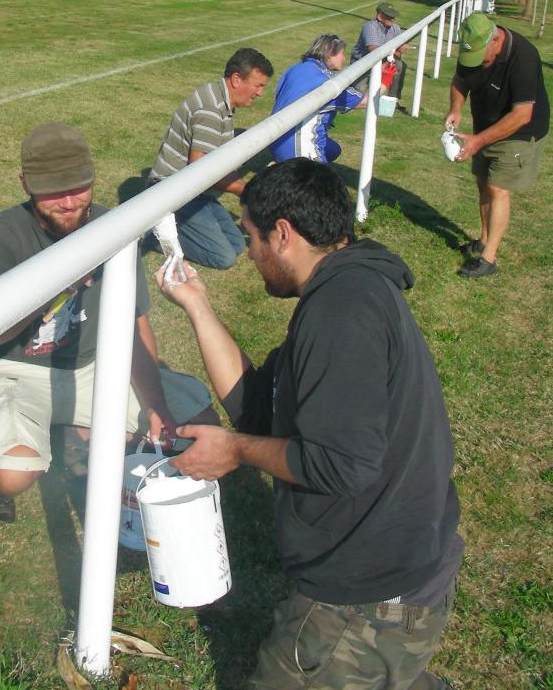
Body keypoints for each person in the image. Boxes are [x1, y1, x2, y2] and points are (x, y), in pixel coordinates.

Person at [156, 159, 463, 690]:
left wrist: (235, 451)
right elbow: (258, 408)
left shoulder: (342, 313)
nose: (248, 254)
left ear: (282, 234)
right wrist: (198, 307)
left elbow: (341, 466)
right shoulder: (342, 288)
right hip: (402, 566)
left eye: (249, 237)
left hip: (369, 595)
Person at [0, 122, 217, 522]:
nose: (67, 201)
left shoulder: (114, 229)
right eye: (52, 189)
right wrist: (58, 282)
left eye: (78, 186)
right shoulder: (4, 234)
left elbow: (133, 327)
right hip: (13, 371)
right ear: (25, 183)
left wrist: (157, 407)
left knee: (196, 427)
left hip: (91, 367)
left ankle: (73, 433)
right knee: (10, 476)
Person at [147, 47, 274, 269]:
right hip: (173, 193)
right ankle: (153, 234)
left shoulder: (220, 98)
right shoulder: (211, 110)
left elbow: (217, 164)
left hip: (196, 192)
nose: (260, 92)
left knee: (236, 245)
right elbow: (201, 169)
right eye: (258, 85)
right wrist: (247, 191)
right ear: (236, 79)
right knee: (223, 258)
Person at [446, 12, 549, 278]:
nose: (476, 63)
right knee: (482, 181)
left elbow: (522, 114)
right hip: (485, 124)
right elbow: (460, 81)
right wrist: (455, 108)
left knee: (497, 187)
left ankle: (488, 258)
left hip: (520, 130)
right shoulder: (471, 45)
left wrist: (479, 141)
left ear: (495, 39)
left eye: (481, 56)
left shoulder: (523, 57)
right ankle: (483, 239)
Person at [270, 33, 367, 163]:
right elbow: (365, 102)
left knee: (333, 150)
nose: (344, 58)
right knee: (324, 182)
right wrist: (385, 77)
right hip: (297, 149)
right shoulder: (327, 82)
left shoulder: (294, 68)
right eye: (342, 53)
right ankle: (296, 171)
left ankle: (283, 166)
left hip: (273, 139)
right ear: (329, 53)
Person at [351, 1, 409, 100]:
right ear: (379, 16)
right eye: (389, 16)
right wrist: (393, 52)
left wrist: (399, 51)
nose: (392, 19)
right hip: (363, 63)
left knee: (399, 65)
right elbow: (373, 50)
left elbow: (398, 53)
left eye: (393, 16)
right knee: (359, 96)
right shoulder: (370, 26)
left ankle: (392, 99)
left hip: (384, 60)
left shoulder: (395, 28)